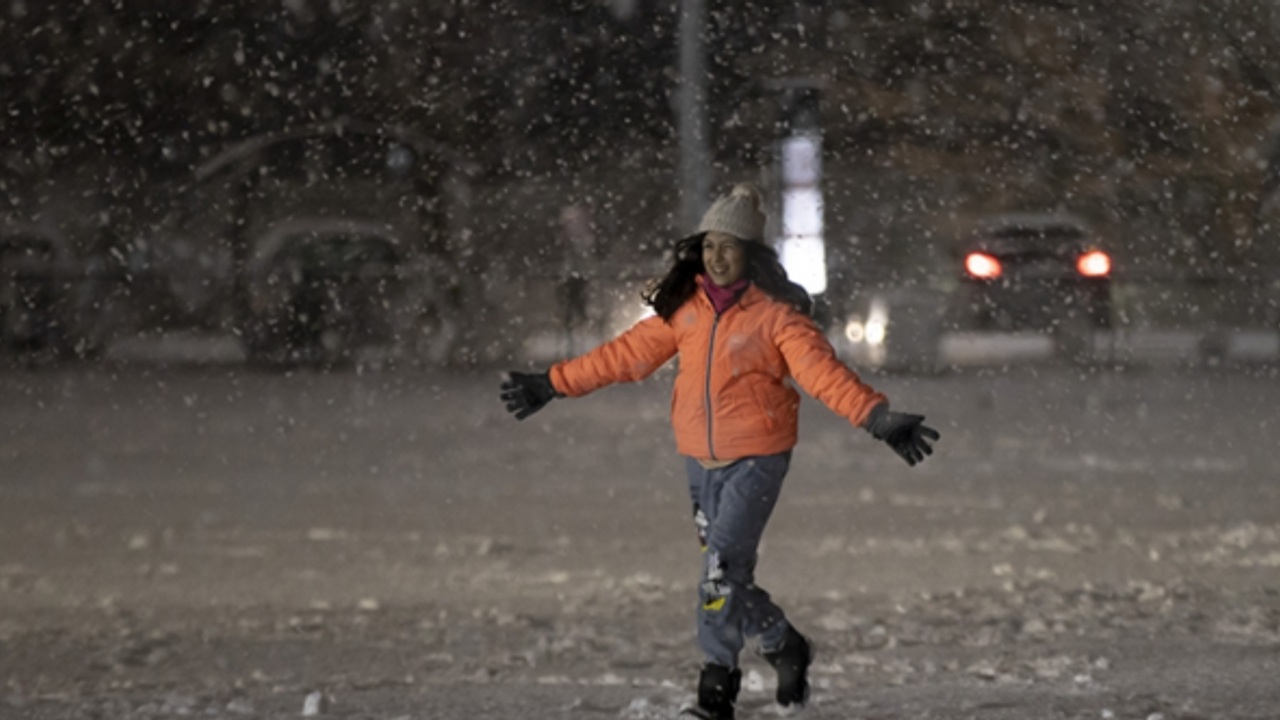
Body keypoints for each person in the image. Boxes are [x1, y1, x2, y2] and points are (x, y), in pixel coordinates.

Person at [500, 183, 939, 720]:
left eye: (729, 246)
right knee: (726, 573)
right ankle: (782, 643)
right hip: (699, 461)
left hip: (757, 460)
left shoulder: (776, 318)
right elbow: (623, 356)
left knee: (717, 574)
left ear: (751, 253)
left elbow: (823, 375)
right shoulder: (685, 312)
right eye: (709, 246)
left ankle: (716, 688)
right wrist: (553, 383)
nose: (716, 257)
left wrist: (877, 417)